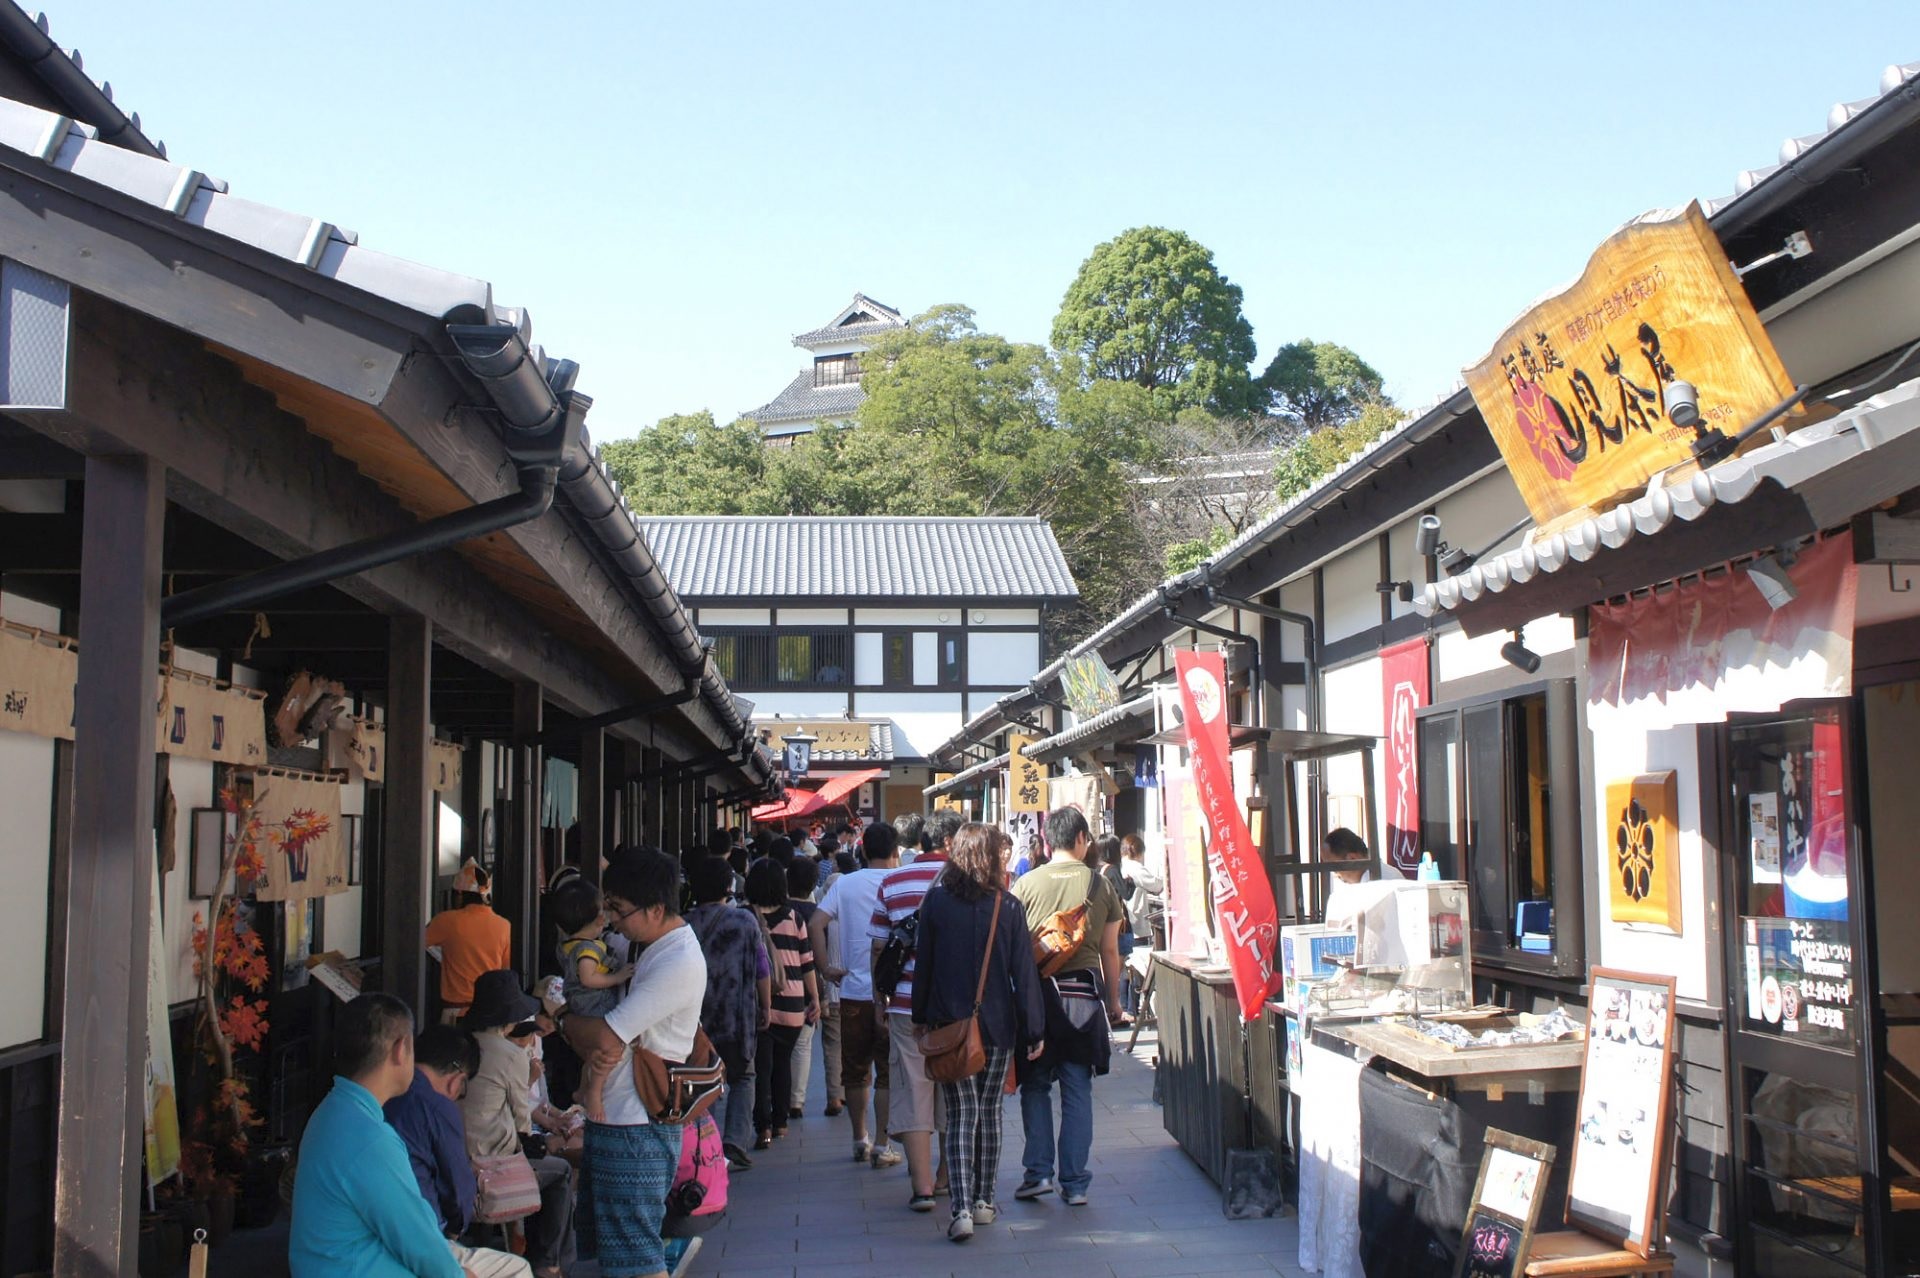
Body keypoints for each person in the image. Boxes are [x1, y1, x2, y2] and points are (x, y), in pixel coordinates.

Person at [291, 992, 529, 1278]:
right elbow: (416, 1240)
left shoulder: (331, 1111)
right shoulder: (371, 1138)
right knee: (513, 1271)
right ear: (401, 1049)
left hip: (337, 1261)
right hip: (359, 1268)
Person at [557, 849, 710, 1278]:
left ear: (657, 909)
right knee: (622, 1254)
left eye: (619, 910)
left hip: (637, 1124)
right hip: (622, 1117)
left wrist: (560, 1017)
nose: (611, 919)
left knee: (637, 1259)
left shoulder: (677, 960)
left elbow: (607, 1035)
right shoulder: (651, 944)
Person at [913, 822, 1047, 1242]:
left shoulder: (934, 903)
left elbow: (925, 966)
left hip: (949, 1025)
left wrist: (920, 1015)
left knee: (960, 1114)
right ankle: (986, 1200)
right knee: (989, 1113)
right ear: (991, 859)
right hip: (997, 1026)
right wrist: (1035, 1028)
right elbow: (1023, 973)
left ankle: (962, 1209)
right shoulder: (1007, 907)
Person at [1010, 806, 1126, 1207]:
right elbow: (1111, 950)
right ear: (1081, 840)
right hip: (1082, 997)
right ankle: (1075, 1182)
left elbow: (1014, 949)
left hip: (1035, 999)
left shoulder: (1025, 884)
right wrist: (1114, 1001)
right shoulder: (1100, 884)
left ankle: (1038, 1173)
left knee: (1036, 1086)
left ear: (1046, 842)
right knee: (1077, 1088)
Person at [868, 807, 961, 1211]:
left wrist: (878, 1000)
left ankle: (921, 1187)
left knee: (913, 1088)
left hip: (906, 1004)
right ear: (952, 843)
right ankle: (945, 1177)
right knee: (951, 1089)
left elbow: (878, 948)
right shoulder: (968, 882)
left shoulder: (893, 881)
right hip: (958, 1004)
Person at [459, 971, 575, 1278]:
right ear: (509, 1018)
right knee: (560, 1172)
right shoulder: (510, 1054)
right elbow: (522, 1122)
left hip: (455, 1154)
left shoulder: (459, 1044)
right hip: (490, 1161)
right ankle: (548, 1263)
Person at [809, 823, 904, 1169]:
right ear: (895, 852)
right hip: (891, 996)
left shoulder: (844, 884)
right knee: (887, 1072)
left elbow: (815, 923)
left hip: (851, 992)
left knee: (855, 1071)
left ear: (862, 851)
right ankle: (882, 1143)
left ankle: (858, 1139)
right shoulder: (898, 882)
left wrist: (825, 968)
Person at [684, 853, 771, 1170]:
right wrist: (766, 1006)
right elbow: (762, 969)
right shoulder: (745, 921)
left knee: (704, 1080)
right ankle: (735, 1138)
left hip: (697, 1020)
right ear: (728, 885)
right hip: (737, 1016)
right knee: (743, 1077)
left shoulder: (685, 924)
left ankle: (706, 1142)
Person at [383, 1024, 482, 1243]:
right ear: (457, 1079)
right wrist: (456, 1228)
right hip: (420, 1227)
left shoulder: (381, 1088)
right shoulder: (437, 1107)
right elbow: (458, 1187)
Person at [745, 859, 819, 1147]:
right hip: (791, 1001)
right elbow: (806, 963)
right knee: (783, 1063)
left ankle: (762, 1126)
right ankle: (781, 1122)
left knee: (761, 1067)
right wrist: (814, 998)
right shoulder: (794, 918)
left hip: (755, 1003)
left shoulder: (745, 917)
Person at [550, 876, 631, 1121]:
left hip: (577, 1002)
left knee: (594, 1053)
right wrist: (616, 978)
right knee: (610, 1047)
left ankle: (583, 1090)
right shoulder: (589, 948)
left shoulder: (567, 945)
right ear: (599, 918)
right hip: (593, 1002)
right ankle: (593, 1092)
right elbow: (588, 978)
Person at [426, 861, 513, 1026]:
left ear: (459, 893)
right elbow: (505, 970)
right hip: (490, 1011)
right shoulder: (504, 925)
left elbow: (414, 943)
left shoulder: (447, 921)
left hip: (455, 1012)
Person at [782, 856, 833, 1119]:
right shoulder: (817, 915)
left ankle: (778, 1098)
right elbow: (817, 957)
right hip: (807, 986)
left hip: (778, 988)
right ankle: (796, 1101)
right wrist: (820, 995)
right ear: (814, 883)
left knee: (779, 1048)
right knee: (802, 1044)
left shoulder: (779, 909)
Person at [1120, 834, 1164, 1012]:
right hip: (1136, 923)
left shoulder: (1121, 866)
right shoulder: (1136, 867)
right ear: (1138, 852)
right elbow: (1156, 885)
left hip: (1123, 923)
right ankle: (1132, 1007)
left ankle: (1125, 1006)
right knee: (1136, 965)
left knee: (1125, 964)